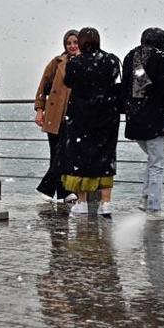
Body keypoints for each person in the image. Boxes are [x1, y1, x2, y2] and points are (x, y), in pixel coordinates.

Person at [122, 27, 164, 221]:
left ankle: (146, 199)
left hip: (135, 119)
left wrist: (128, 111)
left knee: (152, 160)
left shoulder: (130, 57)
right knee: (157, 163)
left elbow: (126, 87)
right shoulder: (161, 59)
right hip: (153, 117)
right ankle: (154, 208)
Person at [58, 27, 121, 217]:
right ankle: (106, 203)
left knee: (80, 158)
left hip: (81, 116)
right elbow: (116, 83)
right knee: (106, 156)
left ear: (82, 42)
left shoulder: (76, 62)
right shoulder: (111, 60)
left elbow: (68, 82)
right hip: (107, 116)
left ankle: (82, 202)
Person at [33, 29, 80, 203]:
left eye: (75, 42)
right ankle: (63, 193)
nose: (73, 46)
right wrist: (39, 109)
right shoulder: (57, 62)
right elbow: (43, 86)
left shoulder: (86, 63)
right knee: (58, 155)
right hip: (55, 115)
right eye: (69, 43)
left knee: (64, 155)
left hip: (74, 116)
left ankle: (49, 188)